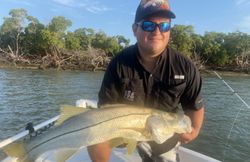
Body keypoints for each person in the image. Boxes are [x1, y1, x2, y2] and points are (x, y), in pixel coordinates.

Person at [87, 0, 205, 161]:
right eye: (149, 25)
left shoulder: (185, 67)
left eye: (164, 26)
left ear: (169, 30)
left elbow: (194, 105)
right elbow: (105, 111)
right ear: (135, 29)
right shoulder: (119, 63)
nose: (157, 31)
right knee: (94, 132)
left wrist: (195, 130)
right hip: (123, 137)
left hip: (164, 140)